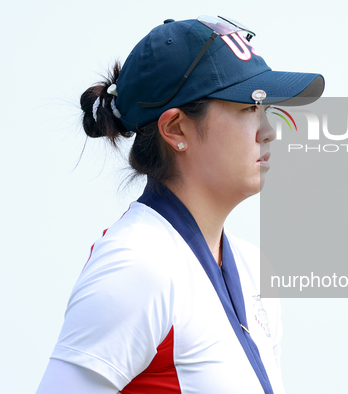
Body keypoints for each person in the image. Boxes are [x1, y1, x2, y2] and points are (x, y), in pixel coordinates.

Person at [36, 15, 324, 394]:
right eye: (247, 108)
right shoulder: (136, 266)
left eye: (265, 109)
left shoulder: (253, 267)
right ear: (175, 129)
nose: (268, 130)